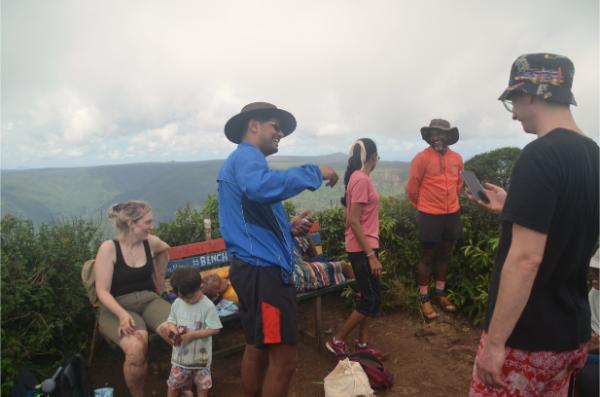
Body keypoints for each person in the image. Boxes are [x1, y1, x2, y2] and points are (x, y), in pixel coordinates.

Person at [468, 53, 599, 396]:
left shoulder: (539, 155)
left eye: (513, 100)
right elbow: (569, 222)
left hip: (527, 338)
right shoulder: (593, 155)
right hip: (571, 334)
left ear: (530, 94)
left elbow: (527, 260)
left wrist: (495, 344)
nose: (513, 113)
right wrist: (514, 207)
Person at [217, 101, 339, 397]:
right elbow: (259, 187)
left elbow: (251, 218)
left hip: (253, 270)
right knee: (284, 358)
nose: (280, 132)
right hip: (265, 276)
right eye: (275, 125)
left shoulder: (242, 161)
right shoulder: (248, 157)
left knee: (257, 346)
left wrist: (287, 227)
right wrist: (315, 172)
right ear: (253, 125)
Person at [94, 200, 172, 397]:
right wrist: (121, 315)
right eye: (147, 222)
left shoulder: (150, 242)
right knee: (136, 349)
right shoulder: (109, 248)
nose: (151, 227)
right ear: (131, 223)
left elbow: (164, 248)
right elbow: (102, 291)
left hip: (149, 300)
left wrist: (160, 280)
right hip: (116, 306)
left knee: (180, 333)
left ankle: (185, 386)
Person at [325, 138, 387, 360]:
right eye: (377, 156)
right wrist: (371, 255)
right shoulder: (361, 180)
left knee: (366, 296)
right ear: (372, 157)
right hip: (364, 248)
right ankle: (337, 340)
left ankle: (362, 343)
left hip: (362, 246)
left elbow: (348, 216)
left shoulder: (355, 178)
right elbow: (353, 220)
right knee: (371, 299)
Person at [406, 118, 464, 320]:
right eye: (433, 133)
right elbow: (412, 189)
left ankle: (440, 293)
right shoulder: (421, 158)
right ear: (429, 137)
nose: (436, 137)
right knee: (427, 257)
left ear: (449, 136)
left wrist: (451, 203)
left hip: (452, 213)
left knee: (445, 255)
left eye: (440, 133)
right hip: (429, 214)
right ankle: (424, 298)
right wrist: (424, 207)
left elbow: (459, 183)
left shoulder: (457, 158)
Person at [166, 266, 222, 397]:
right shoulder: (177, 303)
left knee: (202, 387)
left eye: (191, 297)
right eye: (184, 298)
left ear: (201, 287)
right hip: (179, 360)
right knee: (173, 385)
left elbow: (215, 329)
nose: (188, 301)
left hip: (201, 361)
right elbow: (171, 321)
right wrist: (173, 331)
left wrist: (192, 335)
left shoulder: (207, 306)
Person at [573, 249, 599, 397]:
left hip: (593, 352)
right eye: (594, 271)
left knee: (588, 377)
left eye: (599, 272)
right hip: (592, 350)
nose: (594, 277)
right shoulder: (594, 294)